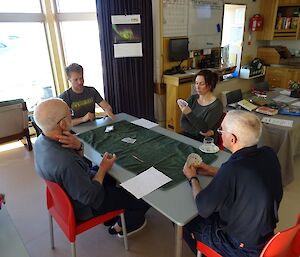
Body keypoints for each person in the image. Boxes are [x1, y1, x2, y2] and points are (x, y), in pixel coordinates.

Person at [34, 98, 149, 237]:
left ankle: (110, 217)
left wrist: (79, 146)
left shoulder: (41, 141)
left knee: (110, 171)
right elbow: (89, 196)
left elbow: (81, 167)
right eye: (70, 113)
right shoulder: (66, 161)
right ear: (63, 123)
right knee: (143, 195)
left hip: (74, 191)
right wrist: (102, 169)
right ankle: (122, 226)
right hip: (87, 205)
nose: (72, 114)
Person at [182, 110, 283, 257]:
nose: (220, 133)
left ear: (232, 139)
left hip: (240, 247)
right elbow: (246, 177)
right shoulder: (269, 153)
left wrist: (192, 178)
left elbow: (203, 207)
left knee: (184, 221)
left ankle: (208, 252)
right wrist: (211, 170)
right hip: (264, 237)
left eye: (221, 130)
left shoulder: (232, 169)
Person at [178, 69, 223, 142]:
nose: (197, 87)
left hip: (204, 141)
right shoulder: (192, 98)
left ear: (210, 85)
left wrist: (189, 113)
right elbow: (183, 123)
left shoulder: (216, 106)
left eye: (201, 84)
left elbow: (204, 128)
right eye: (196, 83)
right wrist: (198, 132)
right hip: (187, 135)